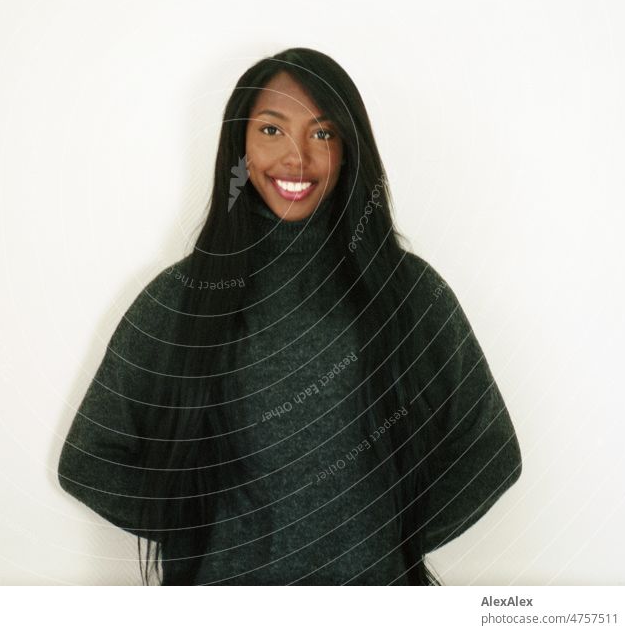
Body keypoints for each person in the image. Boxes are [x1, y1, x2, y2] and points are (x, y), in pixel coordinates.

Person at [57, 47, 522, 585]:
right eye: (272, 131)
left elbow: (491, 453)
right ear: (240, 147)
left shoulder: (410, 291)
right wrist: (209, 538)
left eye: (322, 134)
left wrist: (382, 545)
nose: (296, 157)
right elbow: (90, 461)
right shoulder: (181, 297)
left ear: (349, 151)